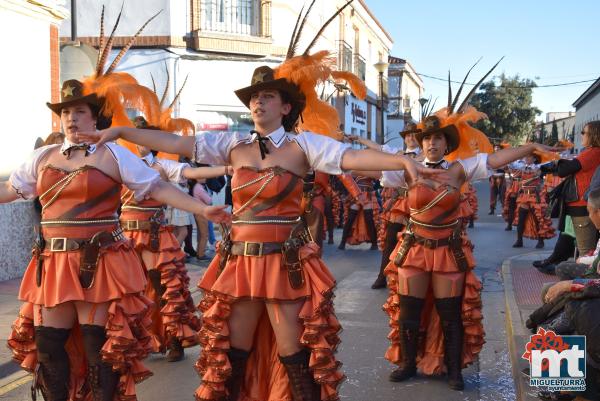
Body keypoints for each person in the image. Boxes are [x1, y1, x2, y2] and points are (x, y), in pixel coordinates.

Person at [79, 12, 445, 398]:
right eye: (254, 97)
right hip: (239, 261)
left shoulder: (304, 145)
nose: (258, 103)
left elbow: (351, 159)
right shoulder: (233, 144)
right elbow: (176, 145)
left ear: (285, 107)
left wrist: (402, 161)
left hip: (282, 261)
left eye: (266, 96)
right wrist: (120, 131)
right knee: (233, 354)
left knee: (294, 355)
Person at [5, 73, 228, 401]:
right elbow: (11, 189)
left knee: (100, 350)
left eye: (79, 111)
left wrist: (202, 208)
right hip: (53, 264)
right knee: (49, 346)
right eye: (66, 112)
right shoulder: (43, 156)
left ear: (94, 116)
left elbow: (157, 186)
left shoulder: (114, 154)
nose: (71, 118)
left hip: (96, 264)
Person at [376, 69, 559, 391]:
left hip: (449, 250)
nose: (432, 143)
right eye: (427, 138)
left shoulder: (460, 169)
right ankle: (407, 362)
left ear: (447, 143)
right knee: (409, 310)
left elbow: (496, 159)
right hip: (414, 248)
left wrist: (529, 146)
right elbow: (359, 162)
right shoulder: (405, 168)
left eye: (438, 138)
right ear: (421, 142)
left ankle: (453, 369)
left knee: (450, 313)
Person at [350, 124, 423, 289]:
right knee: (390, 238)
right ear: (404, 138)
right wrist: (359, 138)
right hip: (402, 203)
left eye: (414, 135)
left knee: (418, 240)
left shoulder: (425, 155)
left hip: (420, 202)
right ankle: (382, 276)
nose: (411, 137)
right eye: (408, 135)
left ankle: (416, 278)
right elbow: (378, 147)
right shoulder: (396, 154)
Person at [541, 121, 600, 255]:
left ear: (594, 135)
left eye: (583, 132)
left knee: (585, 250)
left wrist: (554, 163)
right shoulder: (592, 152)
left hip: (581, 204)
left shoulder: (593, 152)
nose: (581, 136)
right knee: (582, 246)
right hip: (584, 203)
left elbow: (565, 169)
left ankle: (585, 274)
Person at [511, 154, 555, 249]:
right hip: (524, 196)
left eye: (529, 157)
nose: (526, 158)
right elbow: (513, 174)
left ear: (534, 158)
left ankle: (540, 241)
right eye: (525, 157)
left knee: (538, 219)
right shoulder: (522, 167)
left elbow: (544, 169)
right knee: (521, 219)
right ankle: (519, 240)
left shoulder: (538, 168)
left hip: (535, 196)